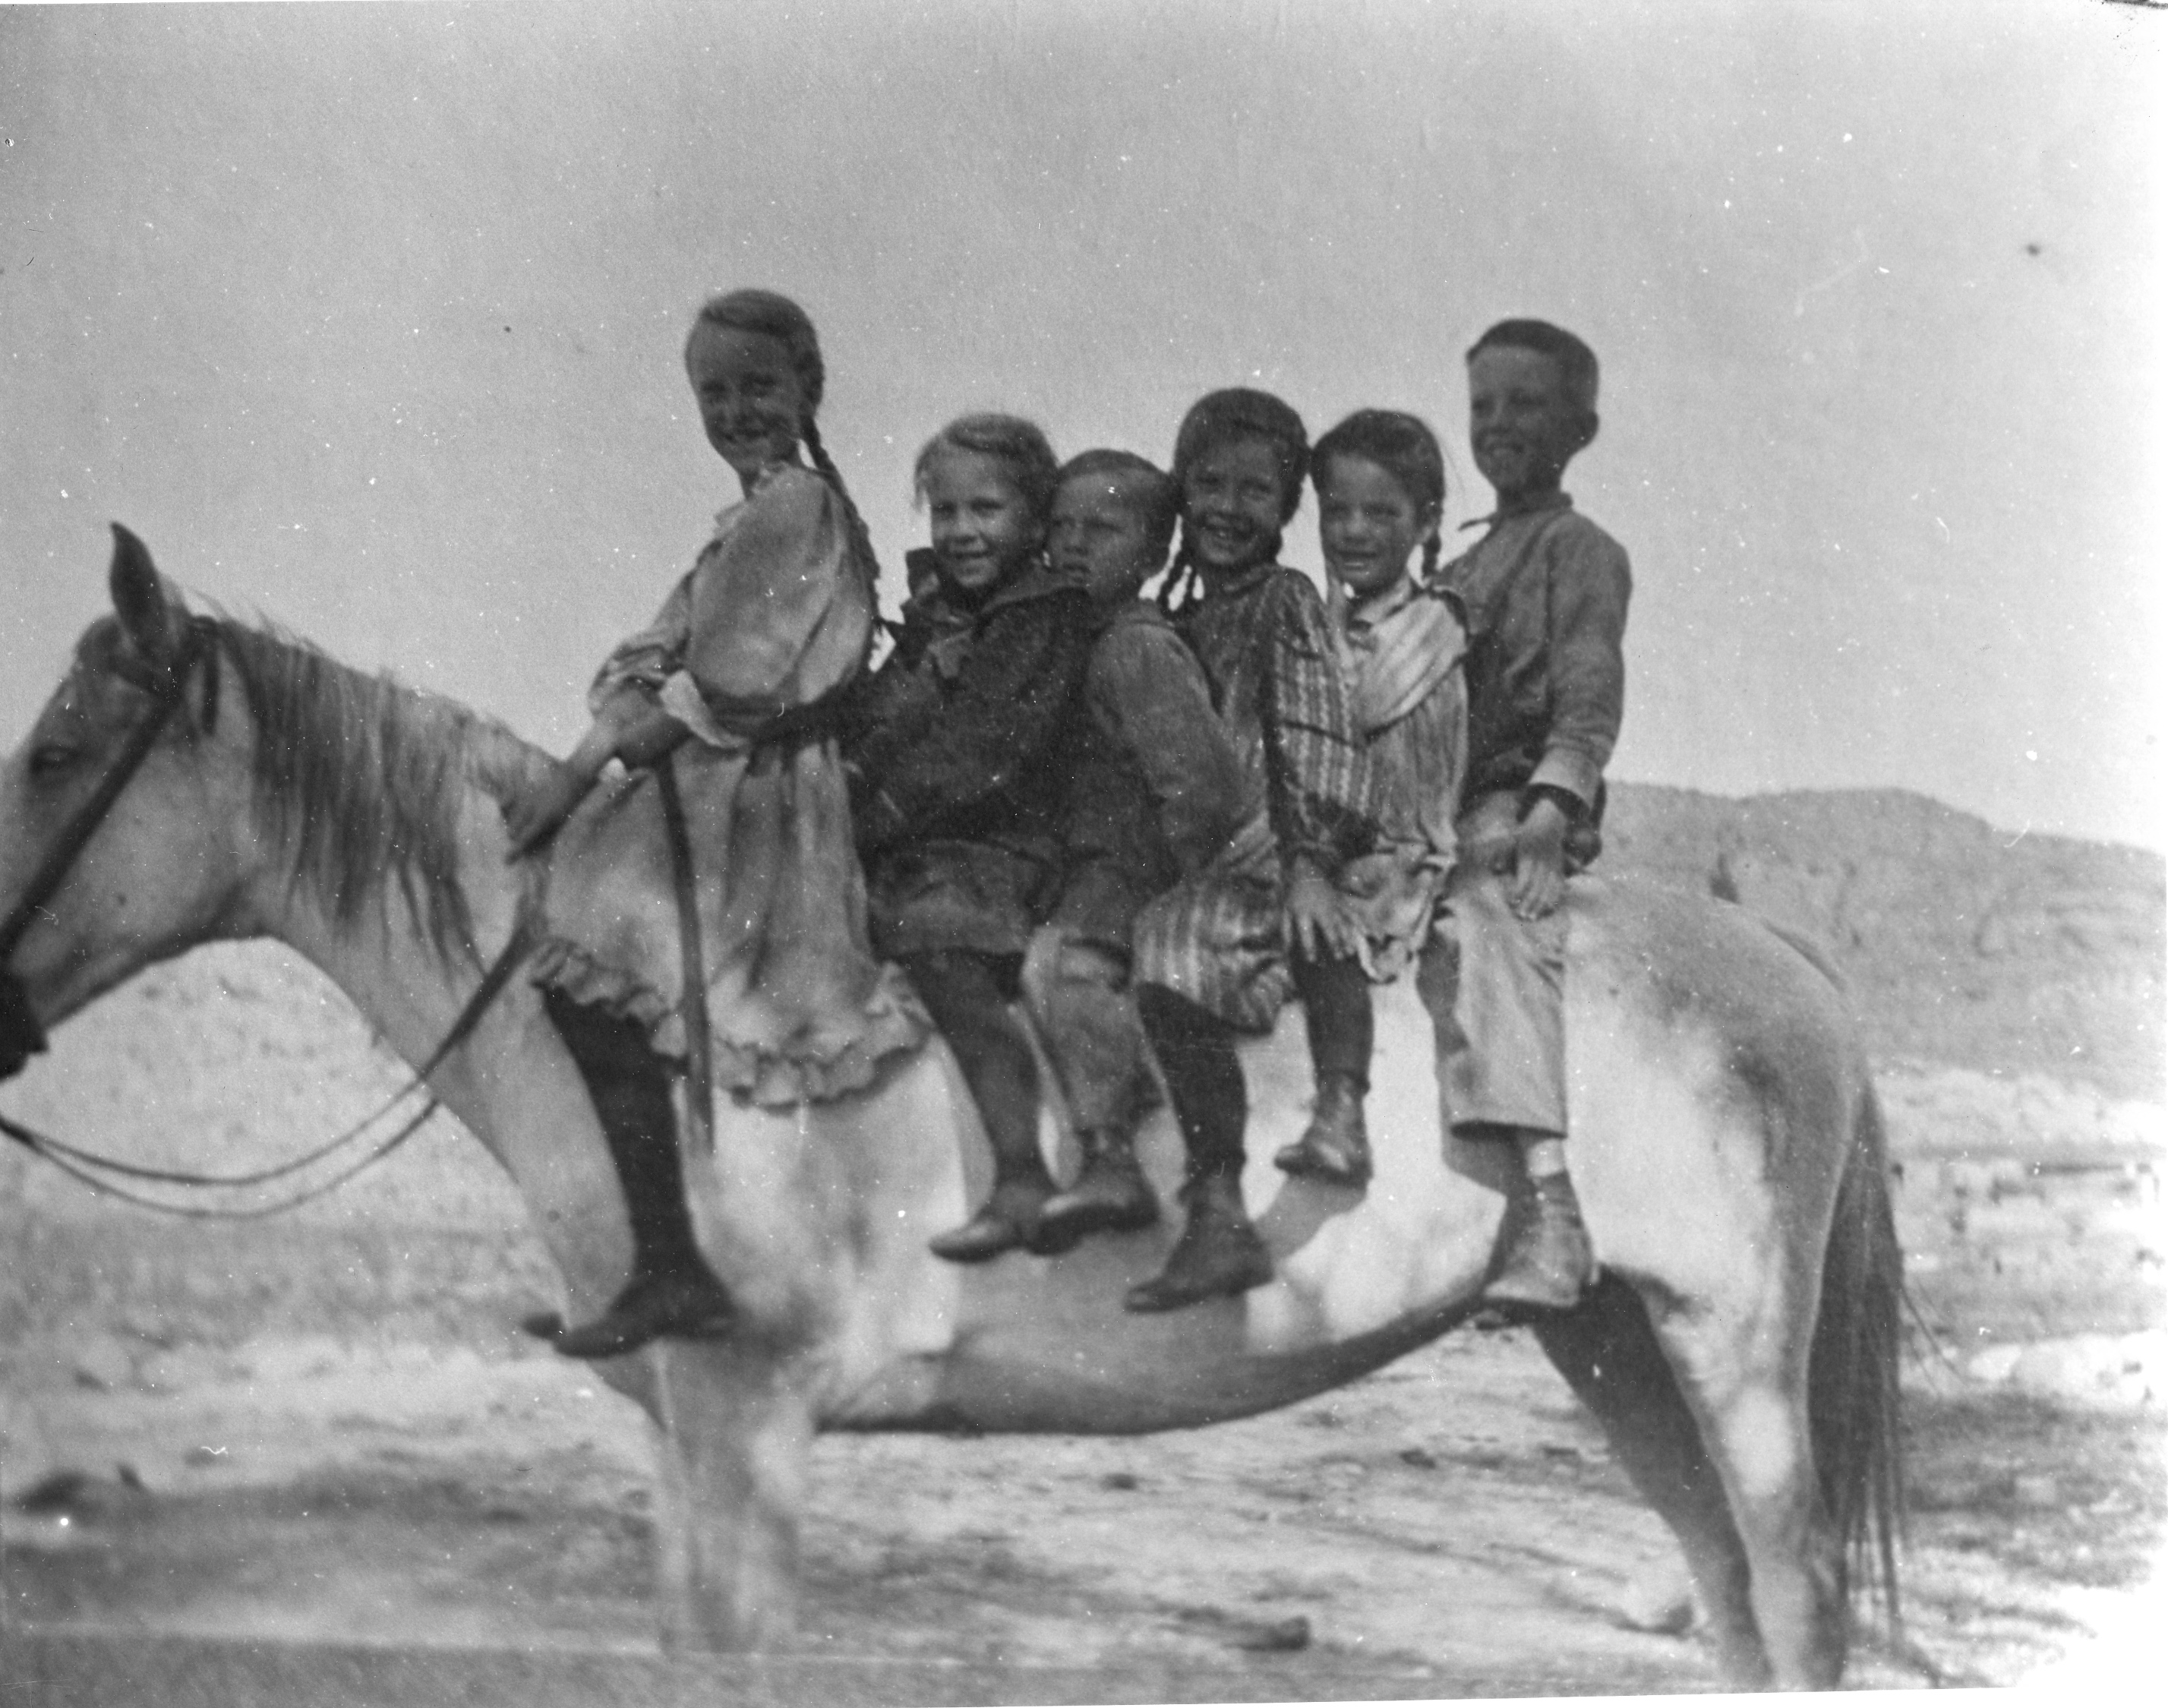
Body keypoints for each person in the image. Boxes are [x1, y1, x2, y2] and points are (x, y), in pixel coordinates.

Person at [500, 289, 929, 1359]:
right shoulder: (755, 517)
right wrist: (641, 693)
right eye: (715, 391)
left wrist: (582, 766)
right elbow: (657, 648)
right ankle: (660, 1258)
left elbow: (730, 677)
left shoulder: (795, 511)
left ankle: (674, 1268)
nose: (736, 409)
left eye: (759, 387)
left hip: (762, 792)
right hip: (729, 771)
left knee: (595, 976)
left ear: (806, 391)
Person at [1125, 390, 1379, 1313]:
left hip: (1272, 844)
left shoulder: (1284, 601)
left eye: (1255, 491)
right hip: (1204, 846)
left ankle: (1218, 1202)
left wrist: (1310, 858)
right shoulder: (1180, 615)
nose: (1228, 508)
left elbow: (1315, 731)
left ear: (1284, 510)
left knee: (1170, 948)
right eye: (1209, 485)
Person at [840, 413, 1095, 1264]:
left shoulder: (1042, 615)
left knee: (939, 944)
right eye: (944, 512)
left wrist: (867, 820)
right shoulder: (938, 614)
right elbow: (884, 717)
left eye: (985, 510)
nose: (961, 531)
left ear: (1035, 516)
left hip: (1005, 843)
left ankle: (1021, 1170)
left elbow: (981, 754)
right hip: (929, 839)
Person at [1428, 319, 1630, 1314]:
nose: (1497, 424)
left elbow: (1587, 678)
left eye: (1524, 405)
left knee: (1492, 913)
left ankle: (1550, 1205)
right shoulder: (1460, 564)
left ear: (1578, 429)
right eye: (1481, 406)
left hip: (1512, 796)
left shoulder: (1576, 549)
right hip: (1431, 797)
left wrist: (1556, 795)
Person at [1022, 450, 1251, 1249]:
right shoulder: (1068, 639)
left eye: (1102, 529)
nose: (1074, 545)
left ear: (1154, 554)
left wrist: (1170, 887)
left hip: (1127, 864)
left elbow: (1206, 785)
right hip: (1077, 858)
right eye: (1061, 527)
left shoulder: (1134, 647)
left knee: (1066, 965)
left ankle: (1109, 1151)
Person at [1310, 410, 1469, 983]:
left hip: (1400, 864)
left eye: (1380, 513)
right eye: (1336, 511)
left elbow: (1345, 717)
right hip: (1343, 857)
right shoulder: (1340, 627)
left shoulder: (1434, 621)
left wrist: (1328, 618)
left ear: (1424, 525)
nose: (1353, 531)